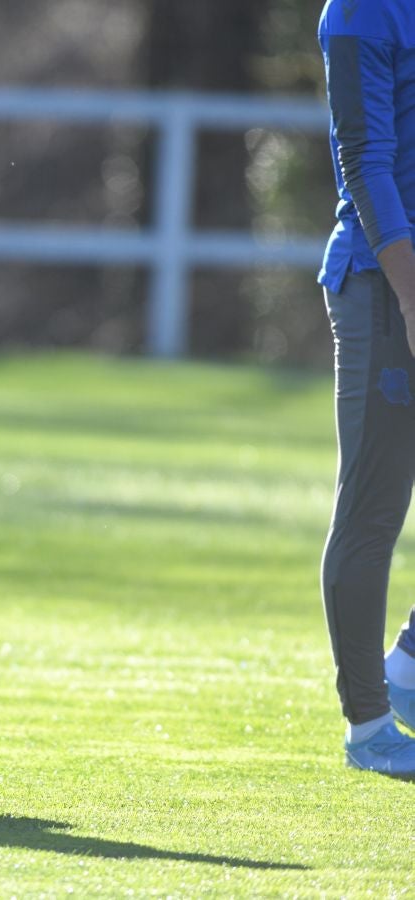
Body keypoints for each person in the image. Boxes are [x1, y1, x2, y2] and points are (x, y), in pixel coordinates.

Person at [318, 0, 415, 779]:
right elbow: (366, 160)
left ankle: (410, 666)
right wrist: (412, 299)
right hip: (385, 287)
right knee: (374, 506)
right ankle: (368, 724)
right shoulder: (356, 12)